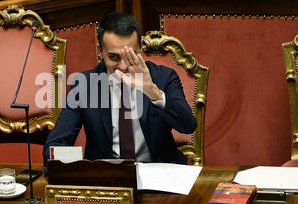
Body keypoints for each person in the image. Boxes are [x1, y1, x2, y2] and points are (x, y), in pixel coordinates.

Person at [43, 11, 197, 167]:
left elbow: (188, 126)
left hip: (158, 172)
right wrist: (64, 172)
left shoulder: (163, 77)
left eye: (131, 55)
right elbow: (57, 142)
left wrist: (154, 93)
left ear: (140, 48)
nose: (123, 66)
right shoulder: (84, 84)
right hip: (107, 179)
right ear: (100, 51)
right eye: (114, 57)